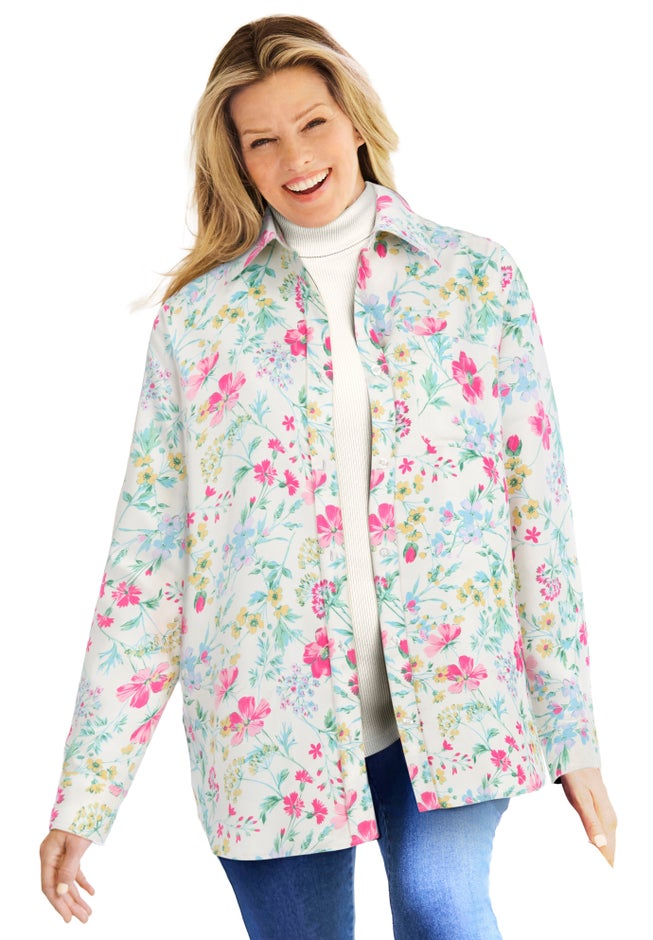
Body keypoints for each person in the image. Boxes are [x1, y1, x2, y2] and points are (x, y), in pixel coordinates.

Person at [40, 14, 616, 939]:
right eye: (261, 140)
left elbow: (535, 516)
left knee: (443, 907)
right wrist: (86, 796)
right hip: (269, 727)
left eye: (312, 123)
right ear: (235, 159)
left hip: (457, 700)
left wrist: (572, 735)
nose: (296, 158)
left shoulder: (474, 281)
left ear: (354, 119)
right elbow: (149, 564)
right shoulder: (201, 321)